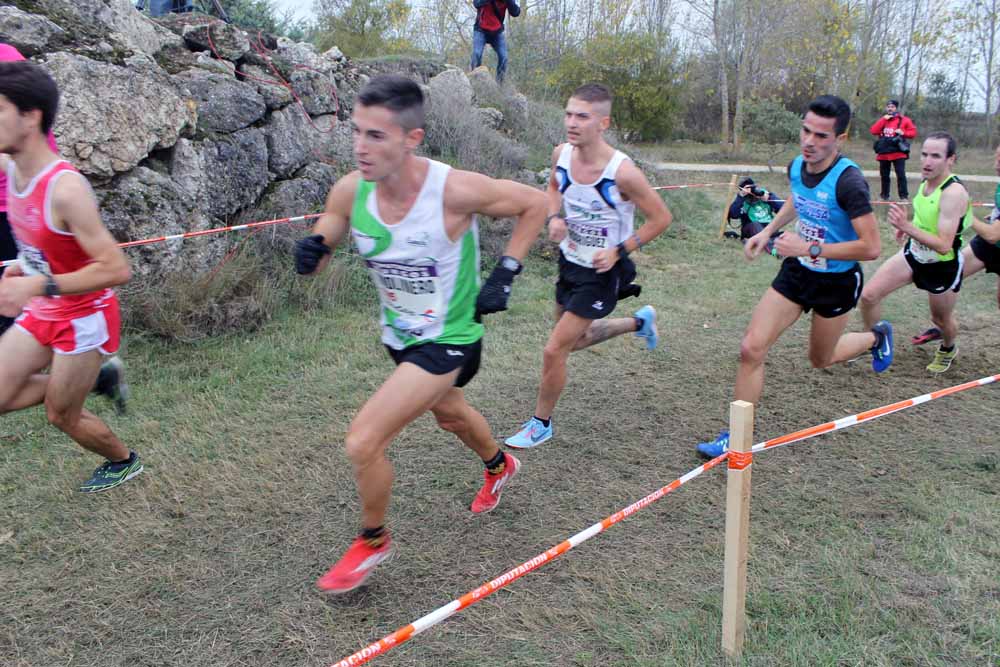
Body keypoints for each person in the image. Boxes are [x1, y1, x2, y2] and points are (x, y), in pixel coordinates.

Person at [294, 75, 546, 593]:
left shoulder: (452, 190)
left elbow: (538, 204)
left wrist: (506, 271)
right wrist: (314, 248)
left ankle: (372, 540)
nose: (361, 148)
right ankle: (500, 464)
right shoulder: (350, 188)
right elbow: (330, 228)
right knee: (449, 414)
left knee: (363, 441)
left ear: (412, 139)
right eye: (358, 133)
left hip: (450, 337)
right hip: (400, 337)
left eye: (377, 136)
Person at [697, 95, 890, 458]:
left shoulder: (849, 183)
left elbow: (871, 247)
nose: (810, 141)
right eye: (806, 131)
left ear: (841, 139)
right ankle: (736, 438)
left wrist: (809, 249)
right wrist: (766, 231)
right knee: (751, 348)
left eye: (821, 136)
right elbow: (798, 200)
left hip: (837, 282)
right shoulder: (797, 166)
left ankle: (875, 338)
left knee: (821, 358)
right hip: (798, 273)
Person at [504, 83, 672, 449]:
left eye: (582, 116)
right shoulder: (561, 154)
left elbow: (660, 218)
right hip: (571, 261)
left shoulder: (623, 172)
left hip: (602, 271)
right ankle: (639, 322)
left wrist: (618, 250)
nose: (572, 122)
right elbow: (553, 186)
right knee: (575, 340)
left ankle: (540, 424)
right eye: (568, 114)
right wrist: (553, 216)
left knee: (554, 349)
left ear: (603, 123)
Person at [0, 61, 140, 492]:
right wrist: (20, 267)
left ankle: (123, 461)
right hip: (47, 306)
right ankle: (85, 380)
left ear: (30, 116)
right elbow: (44, 248)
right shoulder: (11, 171)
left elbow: (116, 268)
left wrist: (35, 285)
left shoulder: (66, 188)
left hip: (84, 316)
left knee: (62, 415)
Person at [859, 133, 972, 374]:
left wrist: (907, 227)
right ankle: (876, 343)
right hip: (914, 255)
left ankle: (948, 347)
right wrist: (909, 230)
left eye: (936, 156)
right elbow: (926, 218)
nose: (927, 161)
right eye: (924, 154)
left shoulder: (953, 193)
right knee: (869, 296)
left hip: (941, 265)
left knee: (940, 320)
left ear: (951, 159)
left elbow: (943, 244)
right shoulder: (925, 182)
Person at [959, 142, 1000, 310]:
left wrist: (965, 212)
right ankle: (942, 321)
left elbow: (993, 235)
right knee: (950, 274)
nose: (996, 165)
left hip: (993, 238)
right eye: (997, 159)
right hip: (988, 245)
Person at [870, 99, 917, 201]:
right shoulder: (883, 120)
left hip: (898, 153)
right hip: (884, 152)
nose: (890, 109)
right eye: (888, 107)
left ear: (896, 108)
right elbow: (873, 131)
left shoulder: (904, 120)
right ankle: (884, 196)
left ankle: (904, 196)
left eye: (892, 107)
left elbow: (913, 133)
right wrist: (883, 119)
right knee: (884, 176)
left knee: (900, 175)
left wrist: (903, 132)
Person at [726, 176, 783, 251]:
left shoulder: (764, 195)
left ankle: (767, 241)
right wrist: (740, 197)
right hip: (751, 229)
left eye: (752, 188)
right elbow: (734, 215)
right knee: (756, 225)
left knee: (784, 235)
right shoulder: (742, 200)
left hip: (769, 228)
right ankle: (773, 250)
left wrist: (770, 198)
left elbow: (782, 210)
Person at [470, 0, 520, 84]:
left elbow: (516, 13)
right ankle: (475, 80)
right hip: (480, 30)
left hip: (497, 32)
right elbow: (476, 3)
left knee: (504, 57)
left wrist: (509, 2)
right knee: (477, 54)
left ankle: (499, 84)